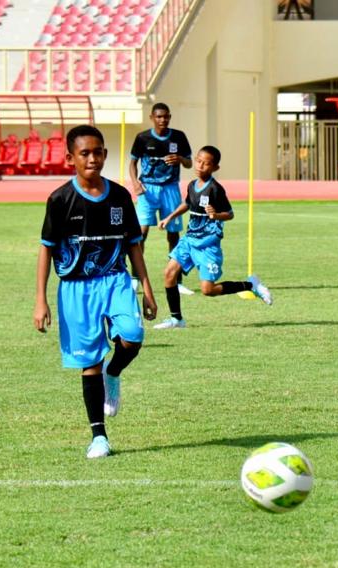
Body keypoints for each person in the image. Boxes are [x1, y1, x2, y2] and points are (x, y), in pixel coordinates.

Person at [34, 125, 158, 459]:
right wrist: (40, 300)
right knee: (89, 362)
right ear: (70, 157)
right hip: (76, 289)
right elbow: (46, 249)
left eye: (99, 151)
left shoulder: (119, 196)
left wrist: (146, 287)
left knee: (132, 335)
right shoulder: (60, 200)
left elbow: (134, 246)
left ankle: (114, 372)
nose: (93, 158)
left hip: (115, 279)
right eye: (85, 153)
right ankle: (98, 437)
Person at [152, 145, 273, 330]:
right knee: (169, 273)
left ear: (215, 167)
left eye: (206, 164)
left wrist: (216, 215)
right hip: (189, 239)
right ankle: (177, 320)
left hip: (207, 244)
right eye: (199, 161)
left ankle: (251, 285)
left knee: (208, 290)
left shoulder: (216, 189)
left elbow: (230, 214)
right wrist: (170, 217)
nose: (200, 166)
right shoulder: (193, 185)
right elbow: (187, 203)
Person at [129, 102, 193, 295]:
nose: (162, 120)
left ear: (170, 117)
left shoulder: (179, 137)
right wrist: (134, 182)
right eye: (159, 117)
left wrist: (180, 159)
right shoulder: (143, 138)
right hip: (148, 189)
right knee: (141, 233)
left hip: (171, 189)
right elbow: (132, 163)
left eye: (166, 116)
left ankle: (177, 279)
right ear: (152, 118)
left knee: (173, 234)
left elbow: (189, 163)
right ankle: (134, 278)